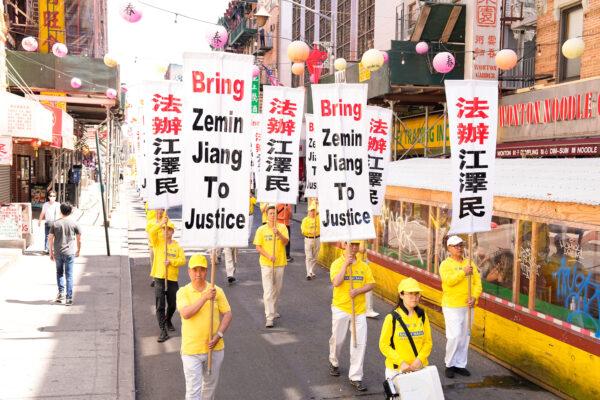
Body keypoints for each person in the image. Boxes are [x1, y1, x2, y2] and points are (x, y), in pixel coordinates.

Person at [178, 253, 232, 400]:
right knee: (193, 391)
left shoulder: (217, 290)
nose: (198, 274)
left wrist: (218, 335)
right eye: (195, 270)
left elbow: (227, 314)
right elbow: (186, 313)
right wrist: (204, 297)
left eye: (202, 270)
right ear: (189, 271)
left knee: (209, 389)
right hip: (191, 350)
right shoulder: (183, 292)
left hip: (214, 349)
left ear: (207, 271)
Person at [328, 241, 375, 392]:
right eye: (351, 245)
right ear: (344, 245)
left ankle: (356, 376)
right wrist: (345, 266)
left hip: (359, 310)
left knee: (359, 343)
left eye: (356, 245)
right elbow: (336, 282)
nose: (354, 248)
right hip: (341, 308)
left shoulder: (364, 266)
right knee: (338, 339)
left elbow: (371, 284)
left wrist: (359, 291)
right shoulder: (337, 263)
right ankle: (334, 361)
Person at [439, 235, 482, 378]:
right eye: (456, 246)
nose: (459, 248)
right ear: (449, 248)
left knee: (465, 336)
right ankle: (449, 364)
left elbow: (477, 283)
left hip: (468, 306)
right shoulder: (445, 264)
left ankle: (460, 364)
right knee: (454, 336)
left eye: (461, 245)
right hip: (452, 306)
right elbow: (449, 281)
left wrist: (474, 297)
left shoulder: (470, 263)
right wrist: (463, 272)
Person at [378, 277, 432, 379]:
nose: (414, 297)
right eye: (410, 293)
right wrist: (401, 363)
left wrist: (419, 360)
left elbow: (428, 342)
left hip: (419, 368)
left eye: (416, 294)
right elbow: (383, 345)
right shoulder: (391, 318)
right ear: (401, 295)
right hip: (396, 371)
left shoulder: (422, 316)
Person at [148, 218, 186, 342]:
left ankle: (168, 319)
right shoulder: (157, 242)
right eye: (164, 229)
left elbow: (183, 260)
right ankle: (163, 330)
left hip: (172, 279)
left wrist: (171, 262)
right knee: (160, 305)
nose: (166, 231)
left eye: (168, 229)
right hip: (159, 277)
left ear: (172, 232)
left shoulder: (177, 246)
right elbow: (151, 232)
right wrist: (160, 223)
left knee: (173, 304)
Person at [253, 204, 289, 328]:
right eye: (270, 213)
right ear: (266, 215)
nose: (273, 215)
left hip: (280, 263)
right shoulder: (261, 230)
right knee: (268, 291)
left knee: (276, 290)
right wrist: (268, 256)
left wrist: (278, 233)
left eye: (274, 213)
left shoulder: (282, 227)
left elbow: (286, 242)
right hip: (266, 264)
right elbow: (258, 246)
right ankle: (269, 317)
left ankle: (273, 309)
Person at [48, 203, 81, 305]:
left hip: (58, 252)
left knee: (59, 273)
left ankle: (61, 293)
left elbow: (50, 238)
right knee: (69, 275)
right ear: (70, 212)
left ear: (60, 211)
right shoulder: (74, 223)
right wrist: (79, 249)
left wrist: (51, 252)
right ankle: (69, 298)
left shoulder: (55, 223)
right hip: (70, 253)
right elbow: (79, 238)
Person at [357, 241, 380, 318]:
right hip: (353, 263)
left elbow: (370, 242)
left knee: (369, 284)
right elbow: (361, 249)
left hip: (363, 263)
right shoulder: (352, 232)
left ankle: (368, 309)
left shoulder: (364, 232)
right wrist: (361, 247)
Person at [301, 204, 320, 280]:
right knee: (309, 256)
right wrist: (310, 232)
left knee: (315, 256)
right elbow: (303, 230)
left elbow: (321, 229)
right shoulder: (305, 220)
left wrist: (317, 232)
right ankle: (308, 273)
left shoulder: (318, 219)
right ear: (308, 212)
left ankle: (311, 270)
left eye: (314, 211)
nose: (312, 212)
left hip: (317, 239)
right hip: (308, 239)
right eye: (311, 211)